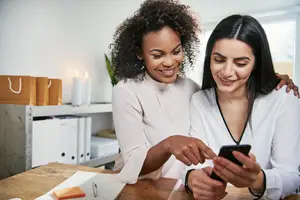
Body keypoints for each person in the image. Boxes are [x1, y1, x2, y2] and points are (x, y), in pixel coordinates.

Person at [110, 0, 299, 184]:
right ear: (139, 52)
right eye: (157, 55)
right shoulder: (127, 91)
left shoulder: (192, 89)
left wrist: (268, 77)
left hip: (179, 189)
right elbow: (132, 162)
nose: (169, 62)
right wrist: (169, 145)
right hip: (142, 187)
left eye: (176, 51)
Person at [183, 14, 300, 200]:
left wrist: (259, 180)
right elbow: (195, 165)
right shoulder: (199, 101)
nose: (227, 72)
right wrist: (192, 178)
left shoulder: (284, 99)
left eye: (240, 63)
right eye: (219, 60)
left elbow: (292, 176)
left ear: (256, 64)